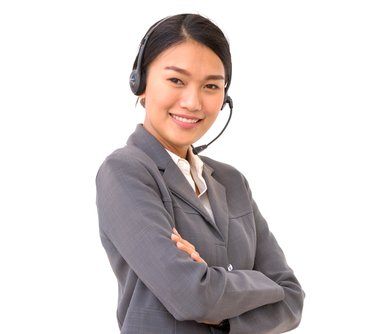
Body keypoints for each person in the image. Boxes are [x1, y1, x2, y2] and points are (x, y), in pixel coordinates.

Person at [96, 13, 305, 334]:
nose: (193, 102)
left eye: (211, 86)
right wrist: (263, 285)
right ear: (140, 83)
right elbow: (190, 295)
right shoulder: (125, 171)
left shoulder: (232, 182)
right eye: (176, 80)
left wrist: (214, 291)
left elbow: (292, 300)